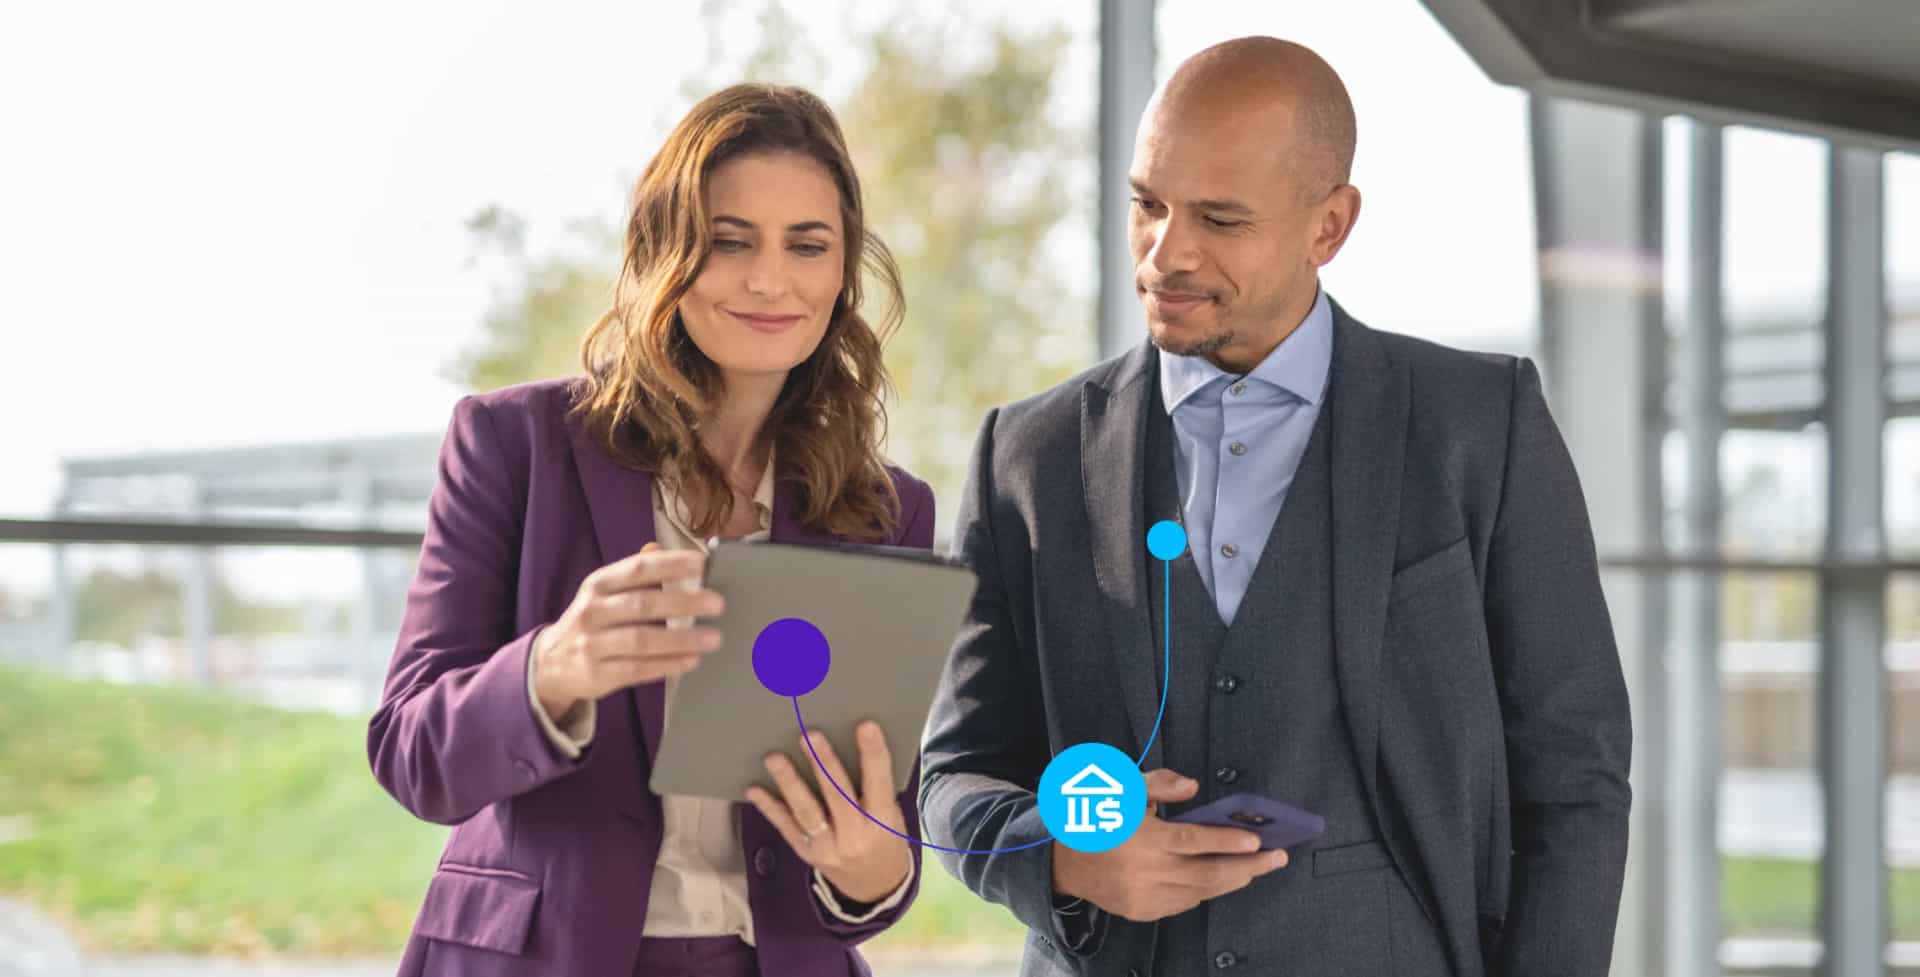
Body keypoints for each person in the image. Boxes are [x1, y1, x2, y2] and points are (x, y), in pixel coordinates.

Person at [920, 36, 1631, 977]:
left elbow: (1575, 773)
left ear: (1328, 226)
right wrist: (1058, 857)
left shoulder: (1478, 426)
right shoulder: (1029, 454)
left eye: (1219, 218)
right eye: (1146, 204)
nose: (1165, 253)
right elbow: (954, 773)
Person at [369, 83, 935, 977]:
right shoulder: (516, 446)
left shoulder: (885, 512)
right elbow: (410, 753)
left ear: (842, 273)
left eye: (808, 245)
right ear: (664, 253)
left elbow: (878, 832)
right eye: (729, 240)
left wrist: (877, 869)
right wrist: (555, 668)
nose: (769, 278)